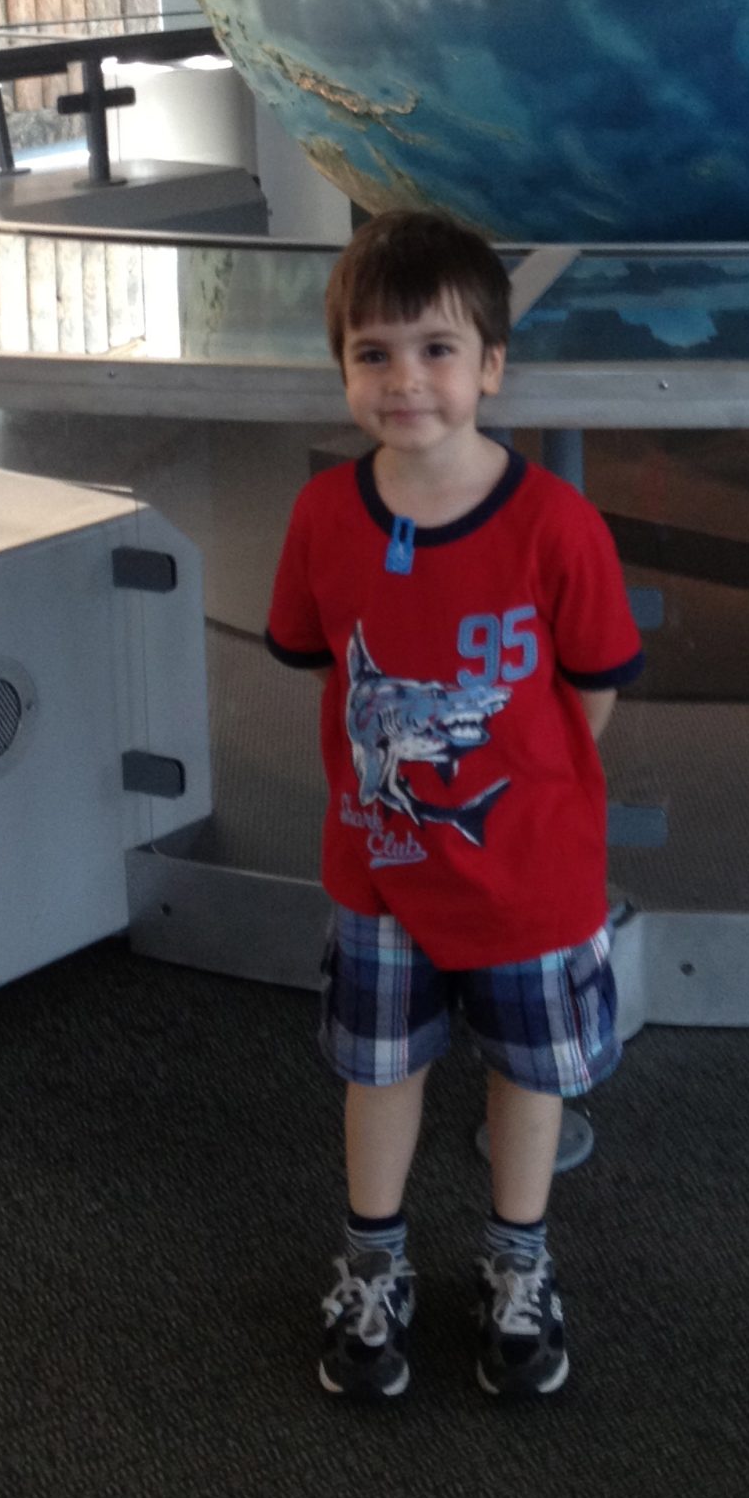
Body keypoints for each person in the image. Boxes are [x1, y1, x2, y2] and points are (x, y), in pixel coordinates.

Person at [264, 210, 643, 1403]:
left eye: (437, 349)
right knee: (380, 1069)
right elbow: (324, 662)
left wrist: (528, 785)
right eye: (373, 353)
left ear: (491, 365)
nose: (406, 379)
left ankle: (519, 1262)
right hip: (381, 875)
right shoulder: (323, 517)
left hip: (532, 878)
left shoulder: (558, 526)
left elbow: (591, 688)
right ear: (342, 369)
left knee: (530, 1074)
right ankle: (374, 1262)